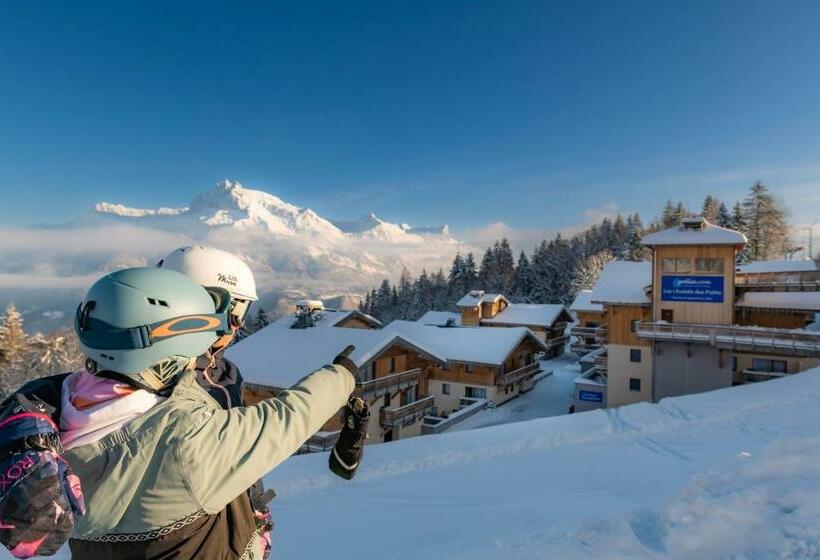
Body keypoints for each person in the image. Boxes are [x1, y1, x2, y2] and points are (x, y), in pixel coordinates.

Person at [20, 266, 358, 559]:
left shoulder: (48, 413)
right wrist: (342, 375)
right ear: (169, 349)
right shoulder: (187, 439)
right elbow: (289, 417)